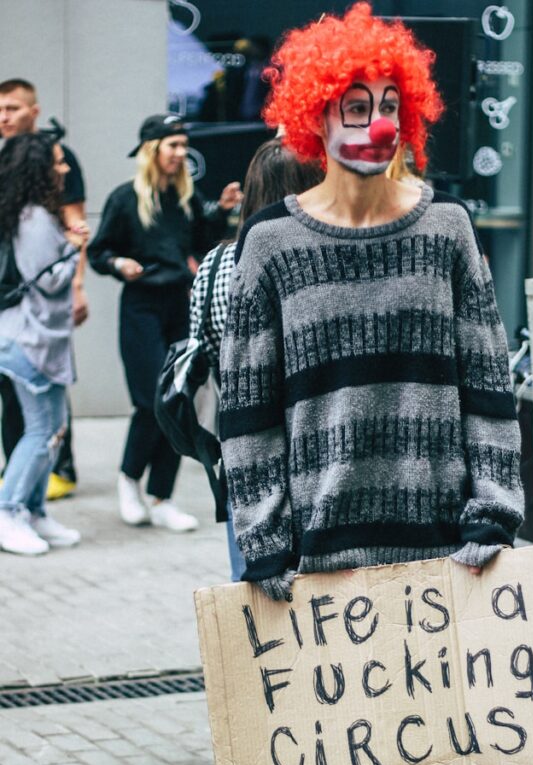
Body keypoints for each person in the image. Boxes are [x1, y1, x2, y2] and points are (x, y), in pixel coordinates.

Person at [220, 4, 524, 765]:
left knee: (456, 715)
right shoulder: (269, 244)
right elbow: (246, 404)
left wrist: (494, 504)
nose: (372, 121)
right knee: (325, 734)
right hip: (319, 528)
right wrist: (263, 531)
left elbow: (487, 376)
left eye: (388, 102)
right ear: (315, 116)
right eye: (352, 103)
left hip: (436, 522)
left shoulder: (445, 228)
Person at [88, 114, 242, 532]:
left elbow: (200, 242)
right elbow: (98, 252)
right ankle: (129, 479)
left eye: (181, 145)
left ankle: (161, 497)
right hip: (140, 305)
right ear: (152, 150)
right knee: (147, 401)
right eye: (173, 145)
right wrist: (119, 263)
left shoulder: (185, 198)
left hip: (179, 304)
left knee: (180, 398)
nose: (180, 153)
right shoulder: (124, 199)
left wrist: (222, 211)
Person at [189, 137, 322, 580]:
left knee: (253, 589)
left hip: (240, 448)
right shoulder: (316, 262)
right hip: (314, 446)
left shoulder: (214, 264)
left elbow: (204, 347)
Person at [0, 78, 89, 499]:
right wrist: (71, 249)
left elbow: (62, 245)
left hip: (29, 323)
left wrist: (78, 284)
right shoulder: (33, 217)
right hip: (27, 328)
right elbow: (49, 269)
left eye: (12, 108)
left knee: (46, 424)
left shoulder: (33, 205)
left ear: (33, 110)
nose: (4, 117)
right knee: (39, 426)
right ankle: (12, 508)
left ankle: (31, 506)